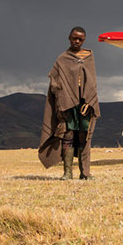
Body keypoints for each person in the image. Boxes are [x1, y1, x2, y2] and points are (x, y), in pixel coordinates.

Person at [38, 26, 101, 180]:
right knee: (68, 134)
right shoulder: (62, 59)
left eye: (80, 39)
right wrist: (61, 103)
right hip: (67, 103)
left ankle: (85, 172)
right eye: (74, 38)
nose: (77, 41)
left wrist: (89, 101)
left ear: (84, 39)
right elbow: (55, 83)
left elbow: (92, 83)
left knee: (84, 136)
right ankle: (67, 172)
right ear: (69, 38)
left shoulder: (89, 57)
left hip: (85, 104)